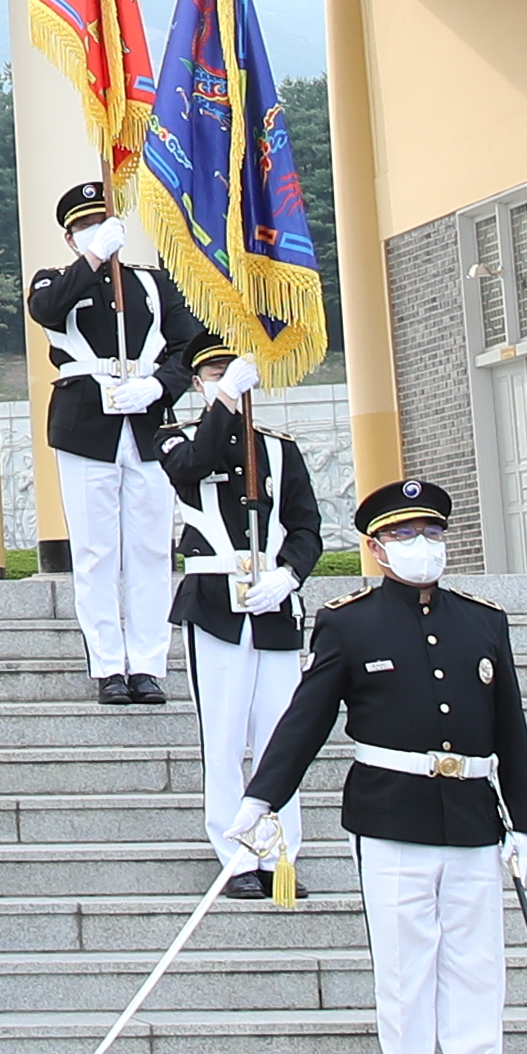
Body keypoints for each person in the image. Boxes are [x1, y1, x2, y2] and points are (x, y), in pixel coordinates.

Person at [243, 480, 527, 1054]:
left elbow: (510, 728)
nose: (423, 548)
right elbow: (306, 721)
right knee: (408, 966)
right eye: (407, 537)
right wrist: (260, 800)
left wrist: (524, 821)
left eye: (432, 534)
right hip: (391, 810)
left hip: (471, 811)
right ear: (376, 549)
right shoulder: (350, 623)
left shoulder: (482, 621)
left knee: (476, 966)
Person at [160, 338, 324, 896]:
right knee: (225, 738)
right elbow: (197, 464)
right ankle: (234, 856)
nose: (224, 377)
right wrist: (223, 401)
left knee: (282, 735)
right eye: (212, 371)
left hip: (274, 606)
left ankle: (280, 855)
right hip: (216, 605)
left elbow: (306, 526)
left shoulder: (279, 450)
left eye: (232, 369)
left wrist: (290, 575)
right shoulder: (178, 438)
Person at [26, 177, 185, 704]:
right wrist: (94, 258)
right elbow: (50, 311)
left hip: (146, 423)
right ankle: (108, 665)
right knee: (96, 551)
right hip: (86, 426)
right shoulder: (55, 281)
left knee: (149, 549)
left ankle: (147, 663)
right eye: (84, 228)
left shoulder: (154, 285)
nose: (94, 233)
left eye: (102, 224)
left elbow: (192, 348)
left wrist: (159, 386)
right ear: (72, 238)